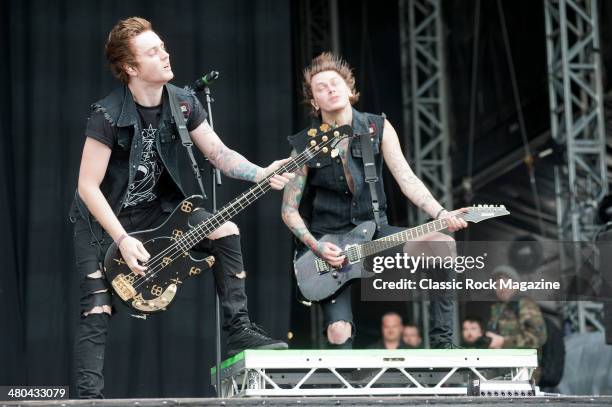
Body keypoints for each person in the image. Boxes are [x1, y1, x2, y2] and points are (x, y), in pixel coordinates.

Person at [70, 17, 293, 398]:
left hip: (159, 212)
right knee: (97, 309)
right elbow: (87, 187)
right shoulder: (106, 115)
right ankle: (90, 400)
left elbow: (218, 153)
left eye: (163, 46)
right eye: (152, 51)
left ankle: (238, 329)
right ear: (130, 67)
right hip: (101, 223)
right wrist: (121, 239)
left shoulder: (184, 103)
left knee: (225, 230)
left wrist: (260, 173)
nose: (165, 54)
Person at [281, 52, 468, 349]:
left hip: (375, 234)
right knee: (338, 333)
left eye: (335, 83)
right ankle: (344, 393)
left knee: (441, 244)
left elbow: (407, 179)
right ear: (314, 102)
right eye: (321, 87)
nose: (330, 89)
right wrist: (317, 247)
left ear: (349, 90)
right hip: (330, 246)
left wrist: (441, 213)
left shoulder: (376, 128)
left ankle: (443, 344)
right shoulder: (304, 146)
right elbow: (289, 210)